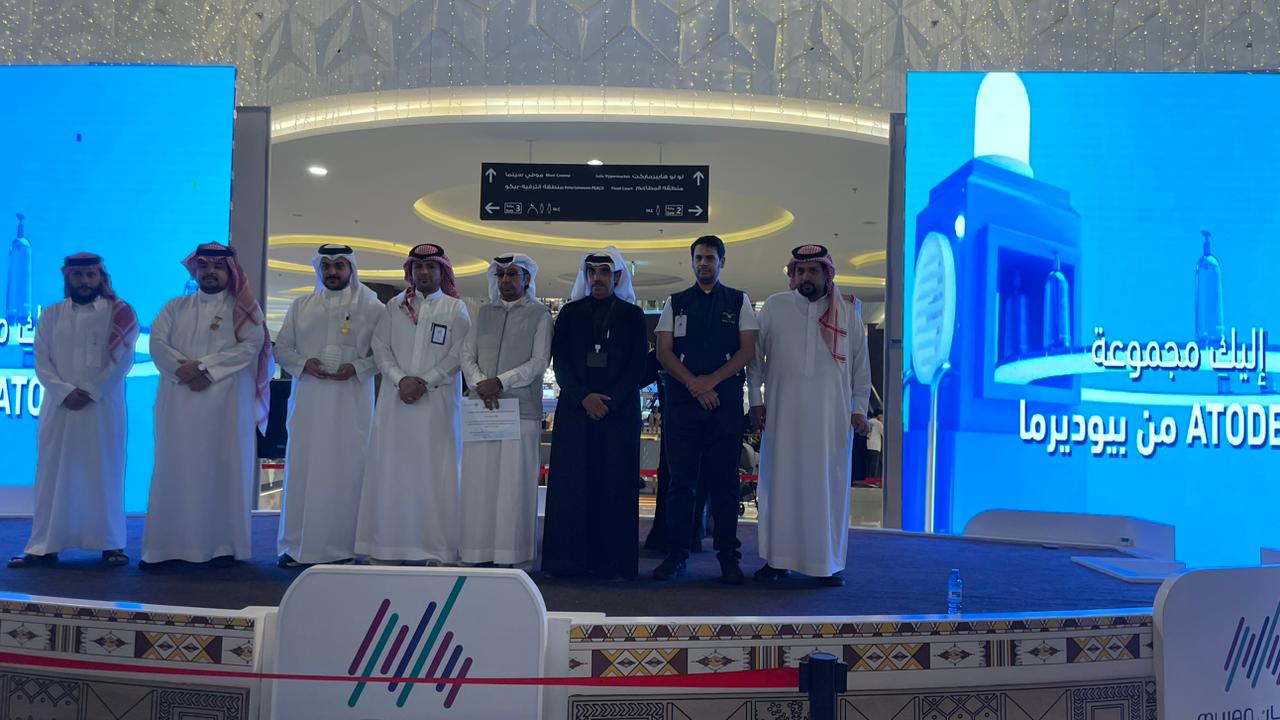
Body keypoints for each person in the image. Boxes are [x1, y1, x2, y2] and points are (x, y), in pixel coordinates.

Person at [747, 244, 871, 587]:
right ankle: (777, 560)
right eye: (800, 271)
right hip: (782, 416)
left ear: (826, 274)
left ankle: (825, 563)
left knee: (827, 488)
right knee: (780, 485)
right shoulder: (775, 307)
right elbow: (755, 361)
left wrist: (859, 410)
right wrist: (756, 401)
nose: (805, 277)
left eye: (813, 271)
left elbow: (861, 369)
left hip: (831, 420)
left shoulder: (847, 313)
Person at [142, 243, 272, 567]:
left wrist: (204, 368)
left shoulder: (244, 310)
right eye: (204, 266)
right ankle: (167, 548)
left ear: (230, 271)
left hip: (226, 408)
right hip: (178, 406)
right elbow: (157, 343)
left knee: (222, 472)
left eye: (218, 266)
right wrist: (183, 371)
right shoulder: (174, 308)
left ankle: (222, 547)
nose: (210, 272)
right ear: (195, 269)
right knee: (176, 470)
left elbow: (252, 345)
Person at [10, 253, 138, 568]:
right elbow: (41, 360)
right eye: (78, 275)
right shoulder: (51, 315)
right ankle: (44, 546)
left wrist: (92, 391)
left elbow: (122, 361)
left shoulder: (119, 314)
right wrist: (65, 391)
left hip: (102, 409)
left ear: (101, 277)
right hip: (59, 407)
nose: (84, 281)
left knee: (104, 472)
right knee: (52, 475)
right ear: (67, 277)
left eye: (91, 275)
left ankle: (111, 545)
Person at [355, 243, 470, 564]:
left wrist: (425, 381)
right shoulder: (394, 306)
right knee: (394, 472)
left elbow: (460, 353)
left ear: (442, 272)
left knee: (437, 474)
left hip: (438, 406)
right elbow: (380, 348)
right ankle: (389, 547)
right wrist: (400, 379)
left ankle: (438, 549)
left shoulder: (455, 309)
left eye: (431, 267)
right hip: (396, 404)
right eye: (418, 267)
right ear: (410, 271)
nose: (424, 272)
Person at [651, 235, 757, 584]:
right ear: (692, 261)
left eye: (710, 258)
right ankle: (676, 555)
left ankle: (728, 558)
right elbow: (664, 351)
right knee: (680, 484)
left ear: (722, 262)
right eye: (698, 258)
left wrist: (711, 381)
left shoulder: (738, 301)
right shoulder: (676, 302)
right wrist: (694, 384)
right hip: (682, 405)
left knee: (725, 483)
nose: (704, 263)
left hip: (724, 405)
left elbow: (747, 350)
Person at [541, 247, 647, 581]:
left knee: (615, 486)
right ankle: (569, 563)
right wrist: (585, 397)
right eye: (592, 272)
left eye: (604, 272)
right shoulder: (570, 314)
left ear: (617, 276)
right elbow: (560, 363)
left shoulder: (633, 315)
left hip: (619, 414)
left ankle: (613, 565)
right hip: (576, 412)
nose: (597, 278)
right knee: (573, 486)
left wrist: (608, 402)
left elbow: (637, 366)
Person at [274, 244, 382, 568]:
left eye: (339, 265)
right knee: (303, 470)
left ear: (351, 269)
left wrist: (357, 368)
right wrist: (304, 363)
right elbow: (282, 348)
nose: (332, 272)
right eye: (327, 266)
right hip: (309, 401)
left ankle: (342, 548)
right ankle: (296, 546)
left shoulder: (372, 307)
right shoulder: (301, 305)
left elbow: (384, 353)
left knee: (346, 471)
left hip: (351, 404)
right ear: (318, 269)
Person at [458, 253, 552, 567]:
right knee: (479, 481)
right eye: (501, 274)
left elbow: (539, 362)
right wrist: (480, 384)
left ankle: (513, 556)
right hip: (481, 408)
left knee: (514, 483)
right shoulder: (483, 313)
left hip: (519, 410)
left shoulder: (540, 315)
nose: (506, 280)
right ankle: (476, 552)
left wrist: (499, 382)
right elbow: (466, 354)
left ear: (527, 279)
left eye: (513, 274)